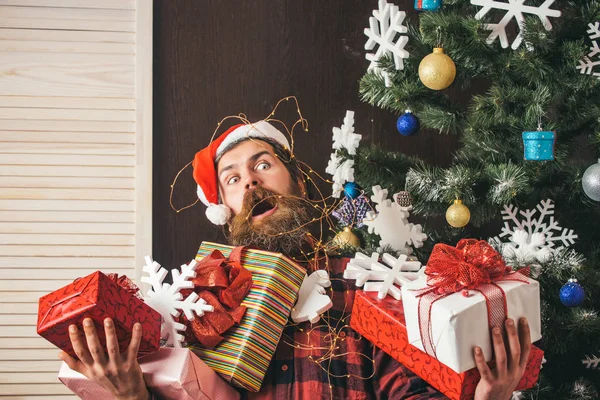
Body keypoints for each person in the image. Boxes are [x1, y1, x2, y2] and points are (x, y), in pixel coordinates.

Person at [59, 120, 532, 400]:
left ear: (298, 184)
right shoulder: (193, 307)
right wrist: (130, 396)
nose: (250, 181)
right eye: (232, 178)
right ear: (226, 214)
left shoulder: (365, 285)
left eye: (262, 164)